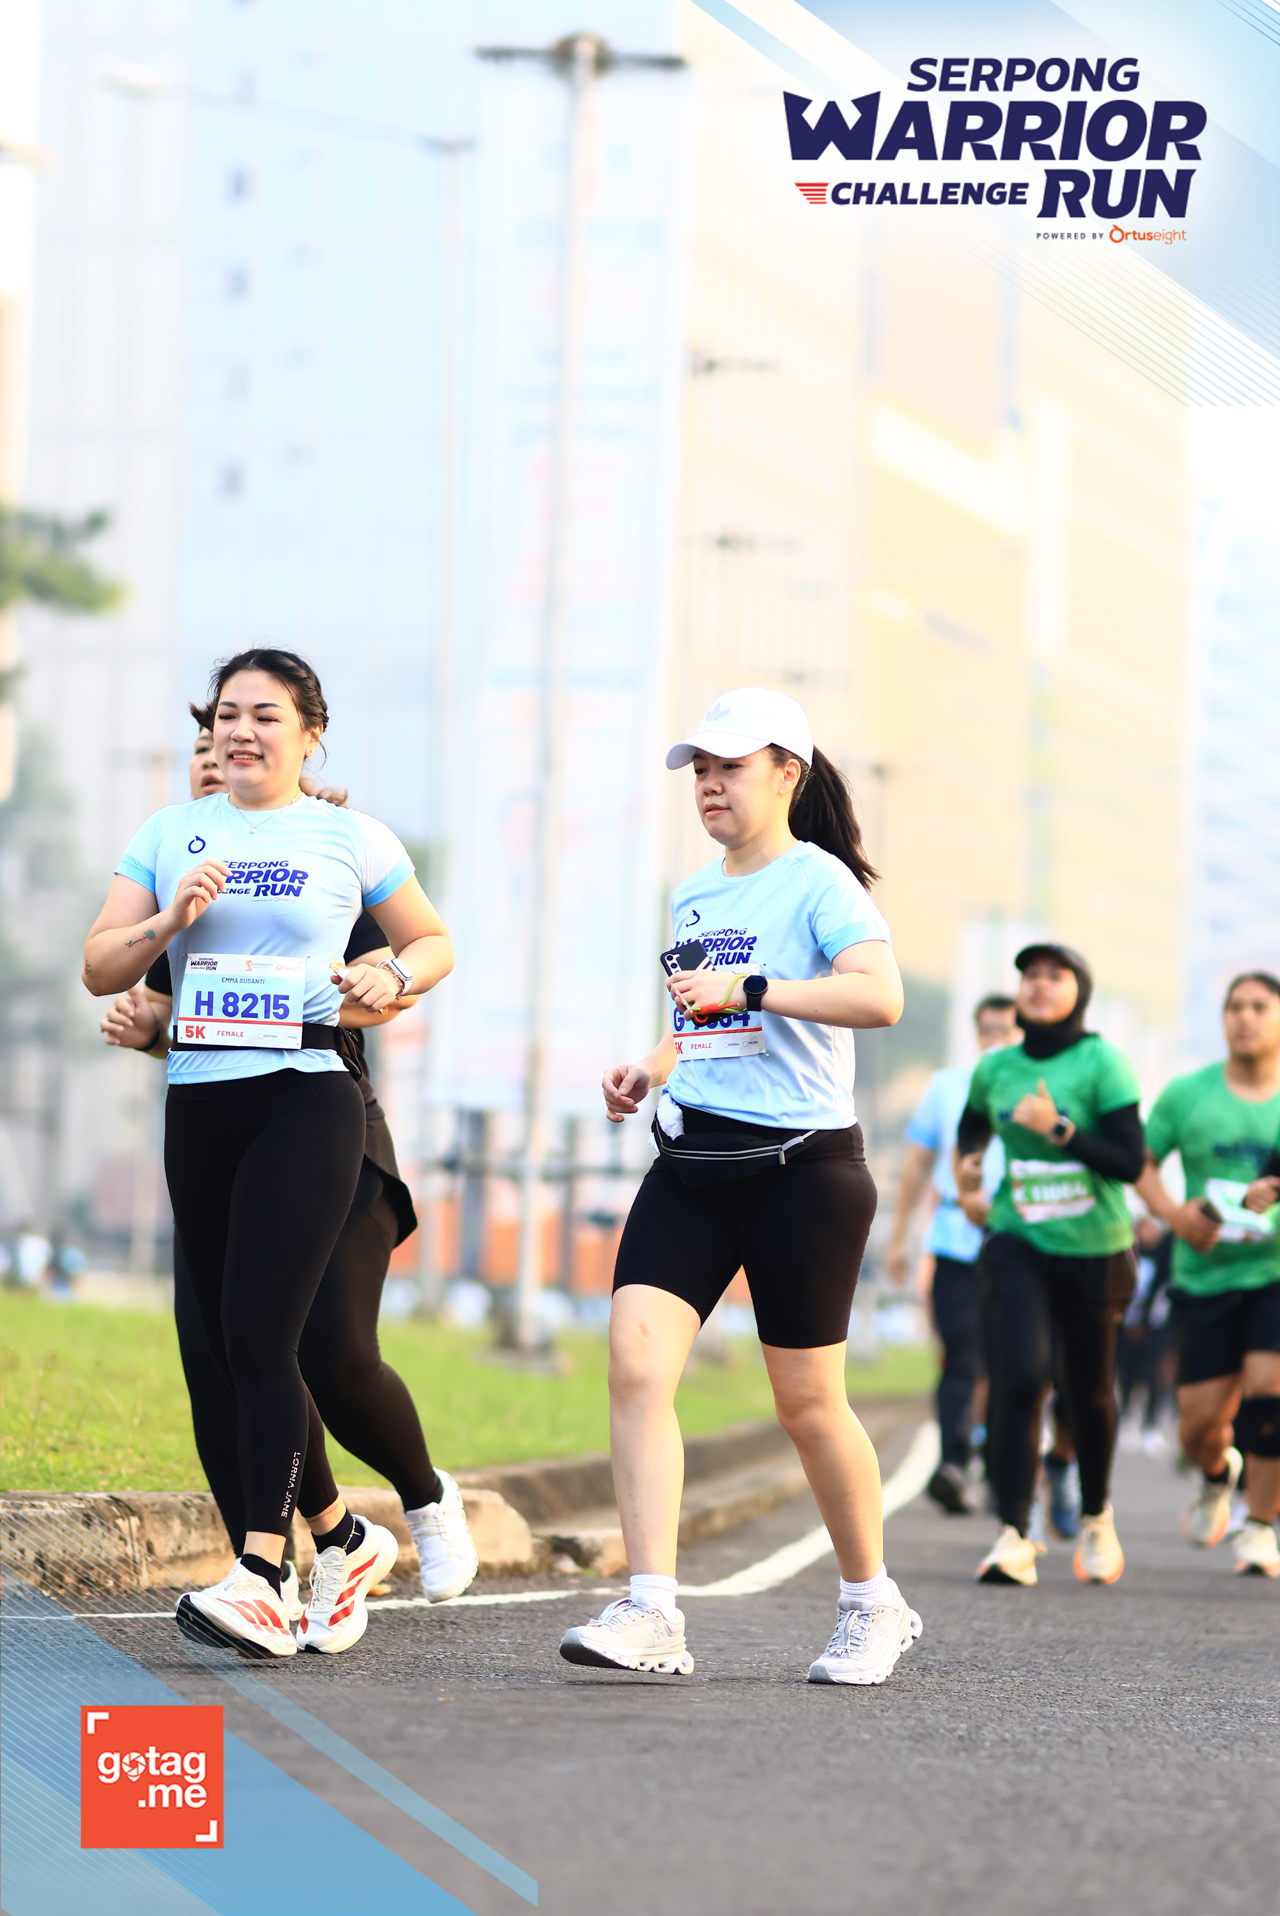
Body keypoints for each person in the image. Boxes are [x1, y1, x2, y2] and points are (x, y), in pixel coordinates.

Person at [83, 649, 455, 1659]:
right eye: (227, 715)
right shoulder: (168, 833)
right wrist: (170, 917)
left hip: (307, 1095)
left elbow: (432, 942)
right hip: (201, 1103)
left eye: (266, 714)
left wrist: (390, 973)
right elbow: (100, 964)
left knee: (263, 1331)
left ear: (309, 734)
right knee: (215, 1347)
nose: (241, 730)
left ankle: (261, 1571)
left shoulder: (349, 835)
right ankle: (335, 1541)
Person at [559, 686, 922, 1685]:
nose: (710, 784)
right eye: (701, 769)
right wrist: (652, 1065)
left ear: (785, 774)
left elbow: (879, 996)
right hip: (694, 1162)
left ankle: (871, 1602)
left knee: (807, 1402)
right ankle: (650, 1610)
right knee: (635, 1364)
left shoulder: (819, 883)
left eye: (730, 767)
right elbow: (705, 1021)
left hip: (802, 1171)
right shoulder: (695, 893)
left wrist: (754, 986)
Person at [955, 943, 1143, 1587]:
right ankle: (1014, 1532)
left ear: (1078, 991)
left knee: (1087, 1391)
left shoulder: (1102, 1063)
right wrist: (970, 1172)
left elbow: (1129, 1161)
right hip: (1018, 1241)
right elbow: (972, 1128)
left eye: (1054, 976)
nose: (1039, 985)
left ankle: (1096, 1515)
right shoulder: (996, 1068)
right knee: (1020, 1377)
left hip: (1095, 1249)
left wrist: (1058, 1128)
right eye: (1029, 975)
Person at [1136, 972, 1280, 1577]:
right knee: (1198, 1428)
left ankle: (1260, 1527)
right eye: (1234, 1007)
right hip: (1204, 1276)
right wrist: (1174, 1214)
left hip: (1273, 1273)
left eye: (1259, 1007)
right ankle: (1219, 1473)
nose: (1245, 1018)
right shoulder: (1188, 1094)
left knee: (1270, 1391)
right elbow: (1140, 1161)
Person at [887, 994, 1016, 1514]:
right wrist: (900, 1237)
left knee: (1011, 1363)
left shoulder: (1038, 1090)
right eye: (988, 1030)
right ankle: (954, 1463)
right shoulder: (946, 1088)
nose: (996, 1039)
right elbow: (917, 1165)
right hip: (954, 1241)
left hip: (1019, 1245)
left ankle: (1004, 1465)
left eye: (1007, 1030)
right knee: (961, 1356)